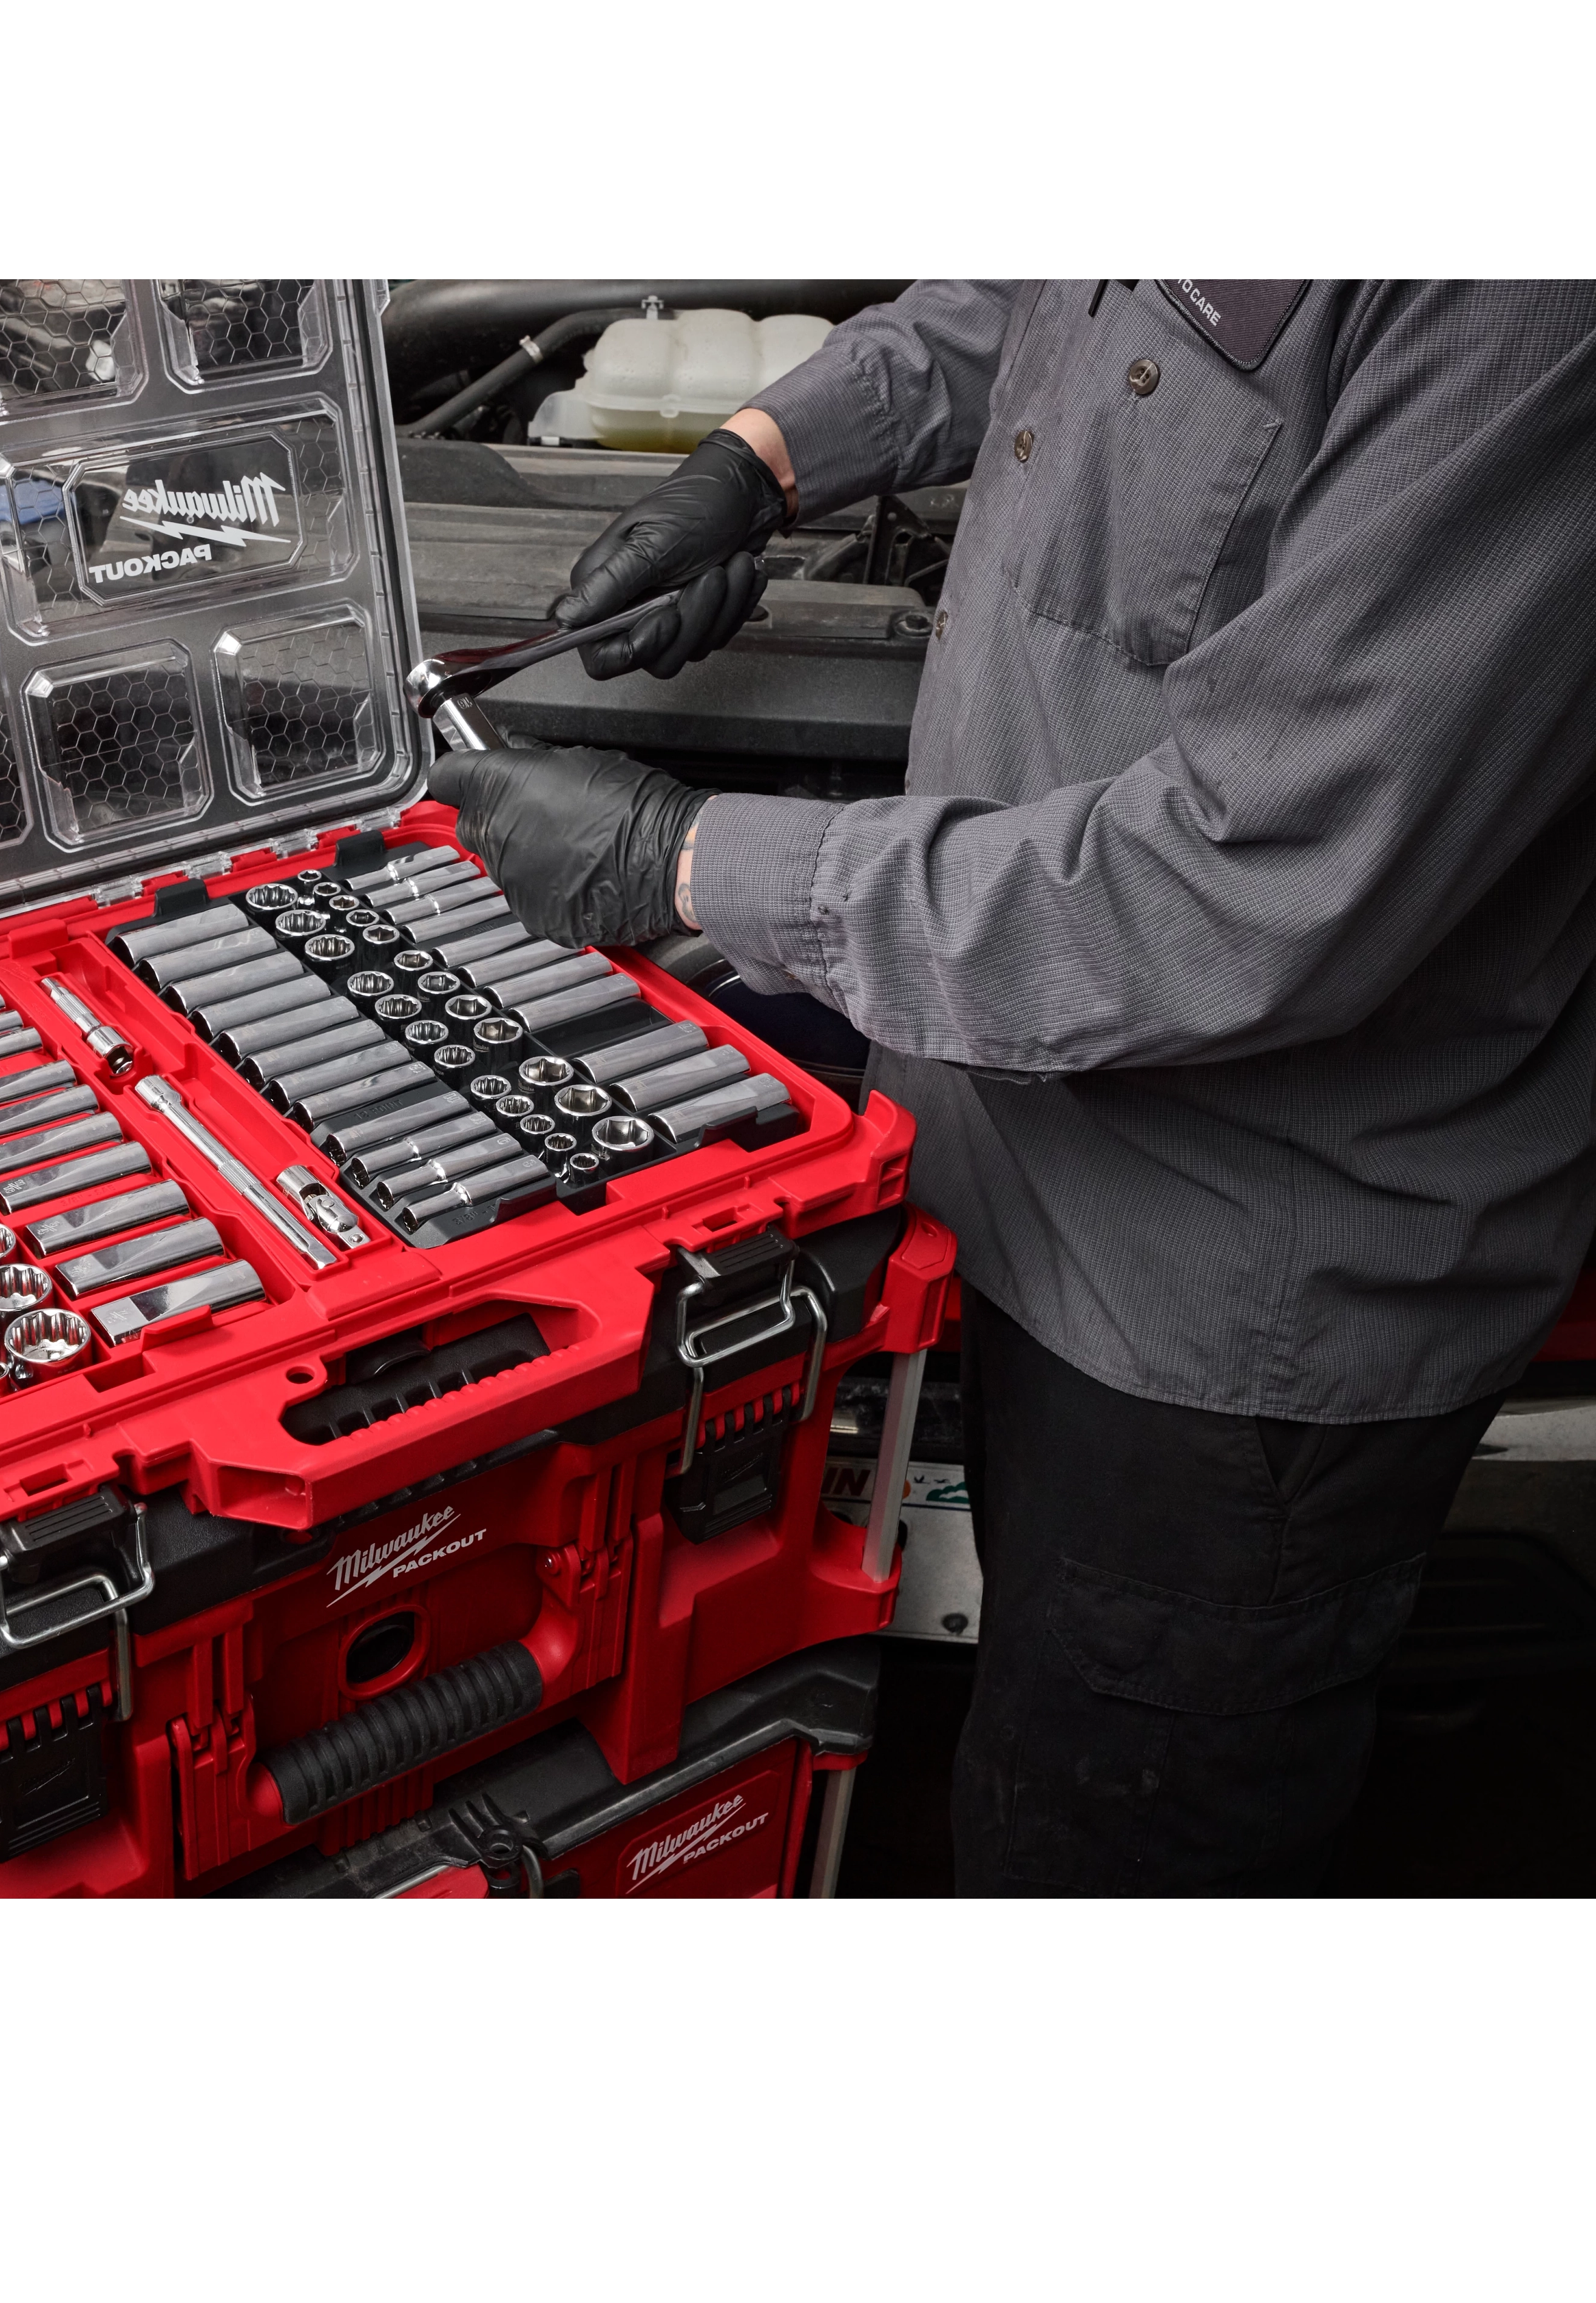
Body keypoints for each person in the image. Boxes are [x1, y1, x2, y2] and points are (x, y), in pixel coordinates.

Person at [427, 279, 1596, 1898]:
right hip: (1016, 1158)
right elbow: (1027, 311)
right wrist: (759, 463)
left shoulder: (1524, 329)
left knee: (1112, 1824)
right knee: (1028, 1721)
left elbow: (1248, 885)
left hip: (1229, 1315)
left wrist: (686, 859)